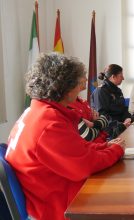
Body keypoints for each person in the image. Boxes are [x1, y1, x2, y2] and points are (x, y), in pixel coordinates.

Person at [6, 53, 125, 220]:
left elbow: (76, 148)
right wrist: (116, 151)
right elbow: (84, 166)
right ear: (64, 87)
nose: (81, 89)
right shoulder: (49, 123)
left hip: (47, 195)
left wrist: (105, 146)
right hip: (54, 208)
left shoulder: (36, 112)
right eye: (78, 84)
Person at [91, 64, 133, 137]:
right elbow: (102, 115)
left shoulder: (118, 90)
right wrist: (120, 125)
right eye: (121, 75)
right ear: (113, 77)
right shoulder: (100, 91)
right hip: (110, 128)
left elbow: (123, 108)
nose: (123, 78)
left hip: (122, 124)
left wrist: (127, 118)